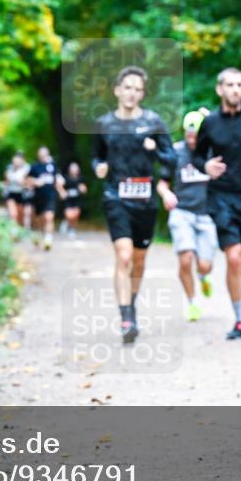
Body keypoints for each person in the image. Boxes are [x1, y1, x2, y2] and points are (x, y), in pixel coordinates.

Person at [92, 66, 177, 343]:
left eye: (138, 89)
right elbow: (97, 157)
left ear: (142, 93)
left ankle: (131, 304)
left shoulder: (153, 122)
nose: (132, 93)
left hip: (145, 201)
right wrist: (99, 168)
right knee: (124, 255)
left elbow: (172, 160)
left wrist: (156, 150)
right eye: (127, 87)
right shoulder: (104, 124)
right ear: (117, 90)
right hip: (115, 197)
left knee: (139, 261)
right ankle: (126, 316)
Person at [191, 68, 241, 340]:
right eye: (229, 85)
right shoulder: (211, 122)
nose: (235, 89)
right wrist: (205, 165)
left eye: (239, 84)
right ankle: (239, 320)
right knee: (233, 257)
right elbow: (195, 156)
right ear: (220, 89)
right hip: (221, 197)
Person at [157, 110, 216, 321]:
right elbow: (162, 183)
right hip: (181, 212)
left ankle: (203, 275)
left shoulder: (212, 151)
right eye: (188, 134)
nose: (192, 139)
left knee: (204, 264)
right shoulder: (176, 153)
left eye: (196, 134)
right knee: (185, 259)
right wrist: (166, 194)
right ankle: (192, 303)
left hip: (207, 214)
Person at [28, 146, 60, 250]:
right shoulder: (34, 167)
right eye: (41, 154)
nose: (43, 156)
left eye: (45, 154)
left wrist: (61, 189)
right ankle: (37, 235)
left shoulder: (53, 166)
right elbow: (26, 180)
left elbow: (58, 179)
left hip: (50, 195)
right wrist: (35, 182)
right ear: (38, 155)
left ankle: (48, 240)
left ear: (48, 154)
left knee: (49, 217)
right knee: (38, 219)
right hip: (38, 197)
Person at [58, 161, 88, 239]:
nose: (74, 170)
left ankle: (72, 228)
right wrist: (62, 192)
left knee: (75, 215)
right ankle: (67, 223)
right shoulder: (65, 178)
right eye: (72, 168)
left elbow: (84, 189)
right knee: (69, 215)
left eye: (75, 168)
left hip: (77, 200)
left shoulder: (81, 178)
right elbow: (60, 187)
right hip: (68, 200)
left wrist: (83, 189)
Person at [2, 151, 31, 229]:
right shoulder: (9, 168)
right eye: (14, 160)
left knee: (20, 215)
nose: (16, 161)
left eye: (18, 160)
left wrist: (23, 182)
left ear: (22, 160)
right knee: (13, 214)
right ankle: (13, 232)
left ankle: (19, 229)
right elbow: (6, 181)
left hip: (22, 193)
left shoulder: (27, 168)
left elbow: (28, 182)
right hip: (11, 193)